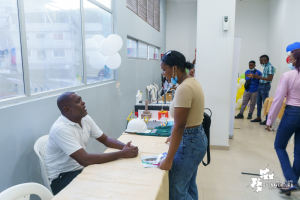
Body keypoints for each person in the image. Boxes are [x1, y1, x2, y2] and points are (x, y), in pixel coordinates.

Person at [44, 92, 139, 195]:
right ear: (66, 109)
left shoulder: (84, 118)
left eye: (81, 99)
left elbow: (105, 139)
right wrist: (122, 153)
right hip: (62, 177)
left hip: (80, 168)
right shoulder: (61, 129)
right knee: (102, 189)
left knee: (113, 177)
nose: (83, 102)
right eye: (78, 101)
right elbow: (85, 160)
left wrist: (125, 147)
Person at [159, 50, 207, 200]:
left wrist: (168, 159)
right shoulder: (191, 81)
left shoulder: (184, 88)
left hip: (189, 143)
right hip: (196, 138)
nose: (163, 73)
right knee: (189, 186)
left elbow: (180, 126)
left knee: (176, 192)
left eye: (164, 69)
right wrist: (173, 136)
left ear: (175, 68)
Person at [266, 49, 300, 194]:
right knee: (299, 153)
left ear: (296, 60)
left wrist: (270, 119)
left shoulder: (288, 75)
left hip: (293, 113)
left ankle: (291, 181)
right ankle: (291, 183)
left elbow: (279, 98)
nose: (290, 61)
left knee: (279, 145)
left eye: (291, 59)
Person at [249, 55, 275, 125]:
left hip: (265, 86)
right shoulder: (266, 66)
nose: (260, 63)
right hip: (260, 85)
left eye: (261, 61)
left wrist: (258, 77)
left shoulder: (270, 67)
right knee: (259, 102)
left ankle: (267, 120)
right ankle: (258, 117)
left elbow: (270, 78)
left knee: (265, 103)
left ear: (264, 60)